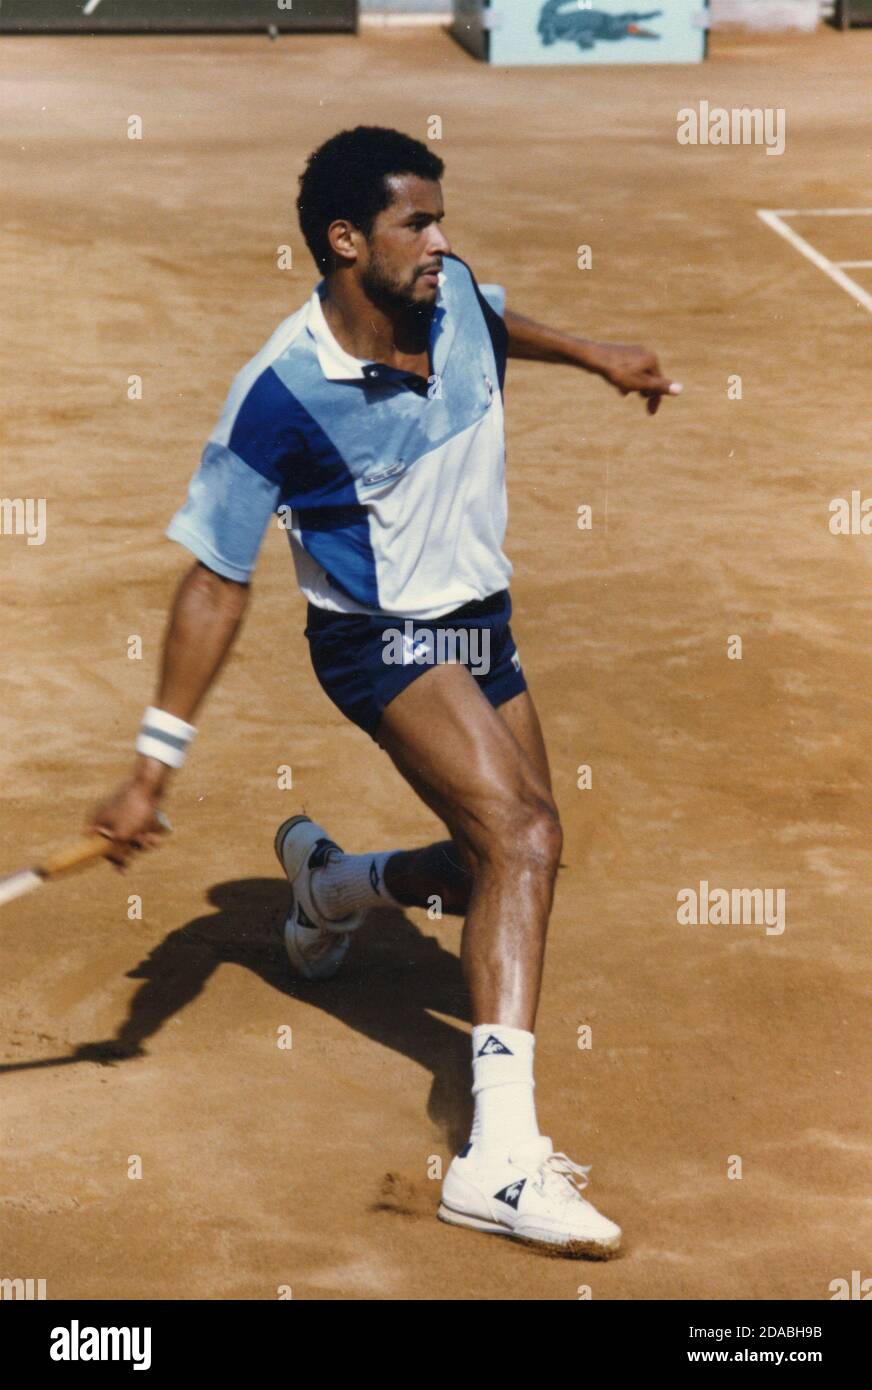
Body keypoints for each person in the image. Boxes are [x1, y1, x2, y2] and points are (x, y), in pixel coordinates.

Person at [91, 126, 681, 1258]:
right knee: (522, 830)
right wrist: (151, 763)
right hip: (380, 639)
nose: (440, 242)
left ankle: (332, 887)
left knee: (505, 860)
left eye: (438, 218)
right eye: (416, 222)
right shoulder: (278, 392)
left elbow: (490, 319)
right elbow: (216, 581)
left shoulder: (446, 292)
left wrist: (594, 350)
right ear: (344, 238)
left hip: (480, 617)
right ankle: (496, 1161)